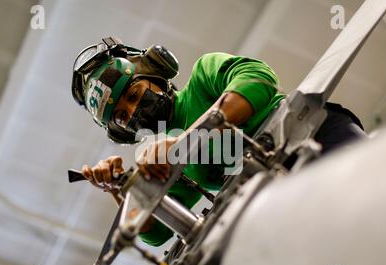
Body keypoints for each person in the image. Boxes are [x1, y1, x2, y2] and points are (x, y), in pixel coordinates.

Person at [71, 37, 365, 247]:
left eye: (134, 95)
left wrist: (184, 142)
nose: (134, 111)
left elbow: (257, 80)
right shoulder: (165, 160)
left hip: (313, 134)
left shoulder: (202, 76)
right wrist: (123, 188)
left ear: (153, 73)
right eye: (123, 116)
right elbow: (157, 234)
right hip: (271, 190)